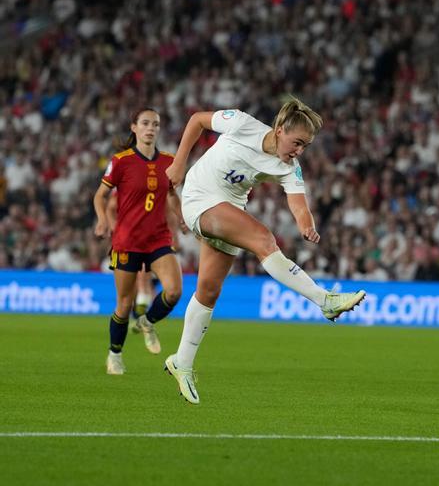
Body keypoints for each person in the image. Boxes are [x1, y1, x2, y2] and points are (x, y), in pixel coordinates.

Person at [163, 97, 366, 404]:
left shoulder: (289, 167)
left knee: (208, 291)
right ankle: (324, 300)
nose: (299, 151)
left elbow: (299, 204)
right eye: (297, 143)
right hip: (199, 196)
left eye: (306, 146)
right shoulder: (241, 123)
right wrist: (179, 162)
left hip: (230, 208)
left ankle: (182, 362)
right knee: (263, 239)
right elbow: (197, 120)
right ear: (280, 129)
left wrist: (306, 224)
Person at [93, 108, 184, 375]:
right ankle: (115, 354)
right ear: (134, 127)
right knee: (123, 304)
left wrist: (180, 216)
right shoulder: (120, 161)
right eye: (145, 123)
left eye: (155, 124)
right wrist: (101, 220)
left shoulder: (169, 161)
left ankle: (147, 321)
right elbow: (100, 196)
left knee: (174, 291)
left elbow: (171, 195)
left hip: (157, 239)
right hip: (127, 241)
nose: (151, 128)